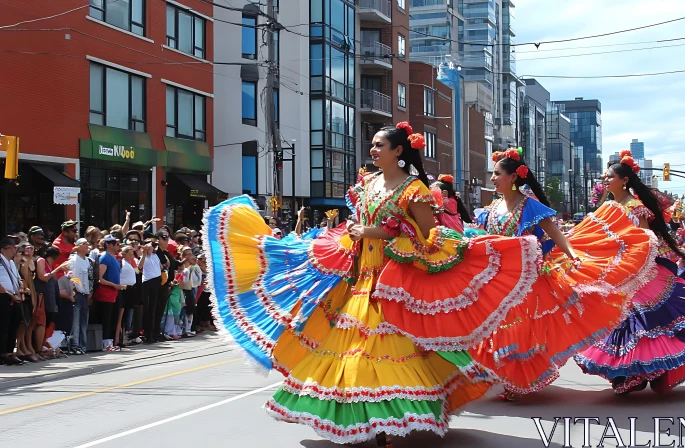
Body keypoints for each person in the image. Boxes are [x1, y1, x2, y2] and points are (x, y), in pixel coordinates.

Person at [203, 122, 565, 446]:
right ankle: (366, 420)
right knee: (352, 352)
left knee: (385, 352)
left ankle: (387, 425)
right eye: (373, 145)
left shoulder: (414, 189)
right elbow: (354, 228)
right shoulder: (367, 185)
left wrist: (377, 232)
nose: (373, 150)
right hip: (361, 278)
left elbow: (428, 236)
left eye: (379, 145)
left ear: (398, 152)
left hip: (395, 281)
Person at [468, 147, 656, 401]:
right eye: (493, 173)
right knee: (494, 325)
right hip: (498, 278)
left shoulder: (529, 206)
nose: (492, 178)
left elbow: (556, 234)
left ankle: (517, 378)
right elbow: (481, 237)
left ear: (513, 178)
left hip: (528, 278)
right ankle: (498, 373)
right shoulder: (491, 208)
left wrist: (572, 255)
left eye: (497, 173)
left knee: (517, 327)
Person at [574, 151, 685, 394]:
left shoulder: (635, 207)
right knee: (620, 322)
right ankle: (629, 373)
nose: (605, 180)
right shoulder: (609, 205)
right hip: (616, 272)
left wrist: (632, 268)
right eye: (605, 177)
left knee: (640, 322)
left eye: (609, 177)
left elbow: (643, 242)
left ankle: (639, 372)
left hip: (638, 273)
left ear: (624, 180)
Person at [95, 235, 125, 351]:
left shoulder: (116, 259)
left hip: (114, 293)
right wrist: (114, 285)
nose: (117, 245)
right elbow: (100, 278)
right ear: (108, 245)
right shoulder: (104, 258)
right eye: (114, 243)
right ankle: (105, 343)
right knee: (106, 318)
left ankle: (111, 342)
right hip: (105, 293)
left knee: (113, 318)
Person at [0, 238, 24, 365]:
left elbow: (18, 278)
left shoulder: (12, 262)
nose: (15, 250)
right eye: (12, 248)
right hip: (3, 296)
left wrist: (20, 289)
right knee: (3, 326)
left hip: (14, 296)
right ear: (3, 249)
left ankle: (9, 352)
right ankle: (3, 353)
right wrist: (9, 294)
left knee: (13, 325)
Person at [68, 238, 92, 355]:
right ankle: (75, 345)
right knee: (76, 322)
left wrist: (89, 291)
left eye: (87, 244)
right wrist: (74, 289)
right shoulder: (73, 260)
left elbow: (89, 277)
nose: (87, 245)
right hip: (77, 293)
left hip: (85, 294)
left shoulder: (87, 260)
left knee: (84, 322)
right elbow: (70, 276)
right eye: (84, 244)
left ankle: (83, 345)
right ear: (77, 246)